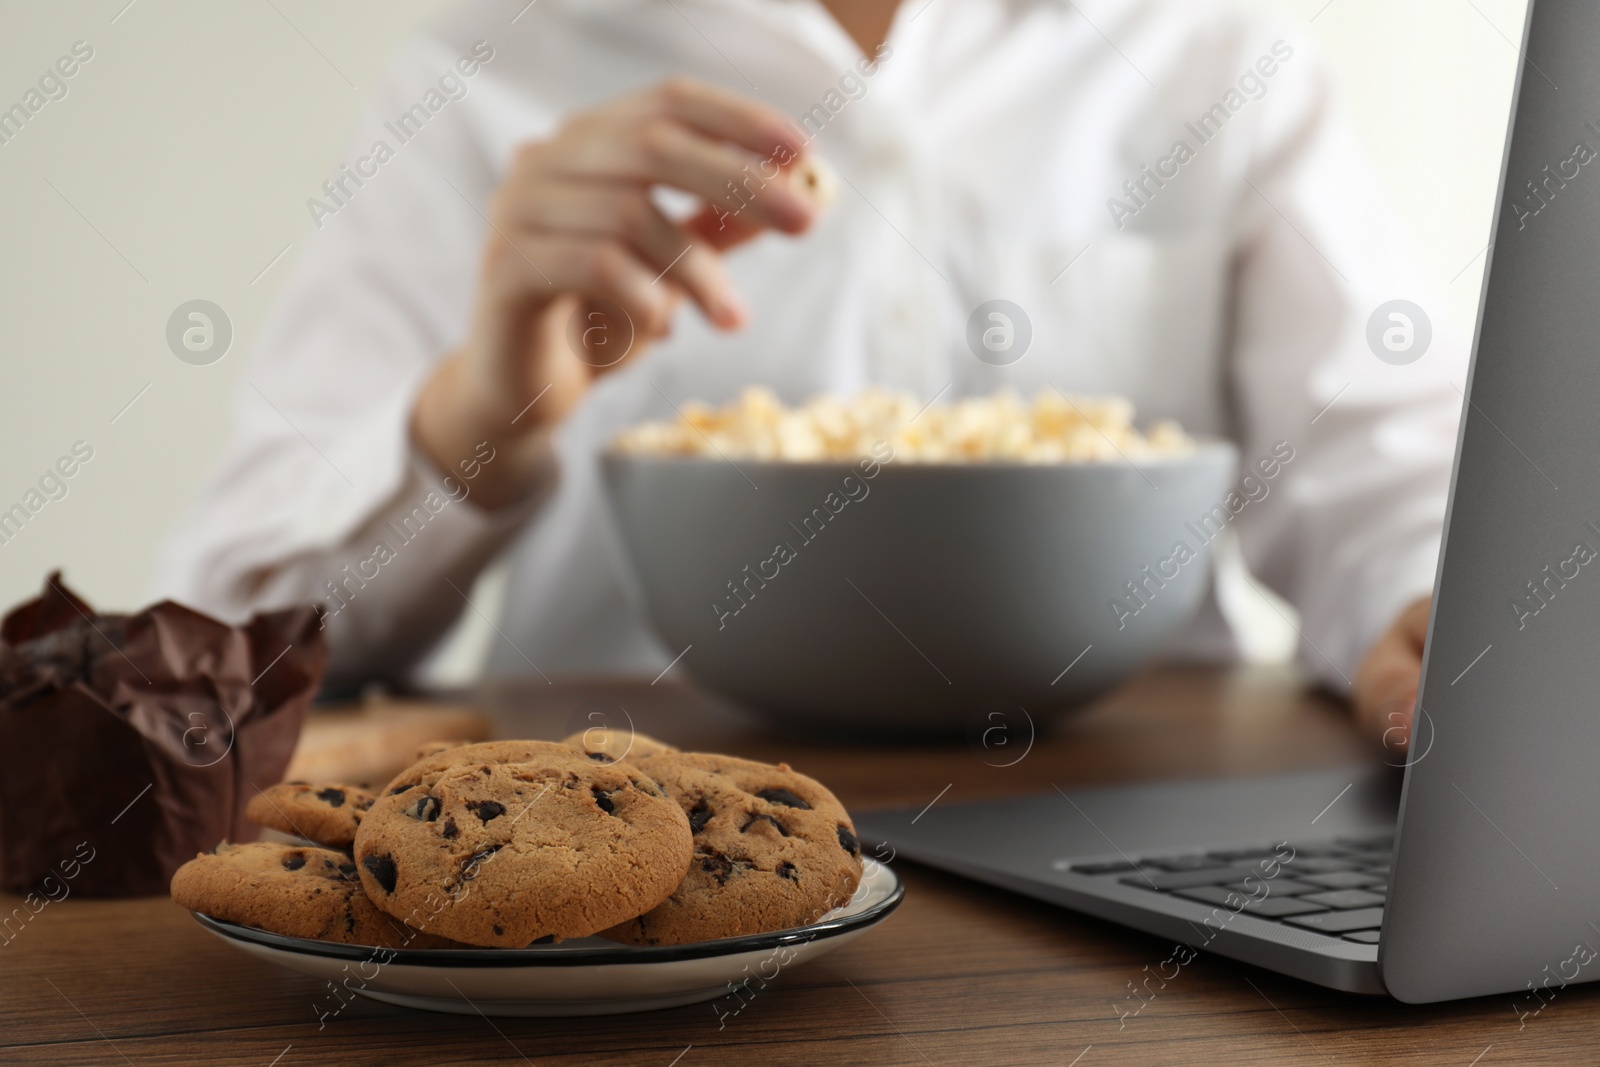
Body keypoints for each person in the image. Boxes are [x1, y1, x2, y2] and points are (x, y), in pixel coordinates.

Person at [155, 0, 1460, 753]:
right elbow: (220, 654)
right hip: (636, 872)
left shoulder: (1211, 45)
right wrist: (483, 417)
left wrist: (1427, 602)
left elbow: (1385, 478)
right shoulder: (498, 61)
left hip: (1140, 827)